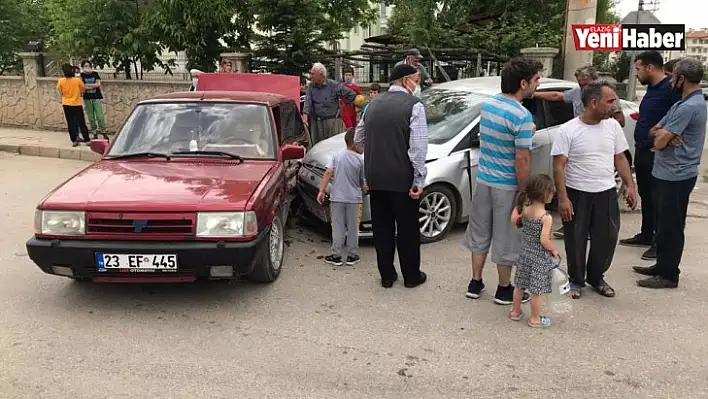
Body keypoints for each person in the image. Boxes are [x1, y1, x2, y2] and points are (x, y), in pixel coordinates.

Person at [462, 58, 540, 305]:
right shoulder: (522, 116)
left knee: (480, 232)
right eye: (537, 80)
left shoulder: (488, 105)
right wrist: (524, 192)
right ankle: (504, 289)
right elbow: (522, 161)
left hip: (484, 180)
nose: (538, 85)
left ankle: (475, 282)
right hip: (507, 186)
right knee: (506, 236)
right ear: (523, 83)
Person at [551, 80, 637, 299]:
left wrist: (630, 185)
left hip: (605, 191)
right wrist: (562, 198)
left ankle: (596, 277)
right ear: (594, 103)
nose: (614, 105)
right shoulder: (568, 130)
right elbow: (559, 165)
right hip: (576, 192)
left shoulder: (613, 126)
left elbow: (620, 157)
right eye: (610, 101)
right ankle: (576, 280)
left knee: (607, 237)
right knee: (575, 238)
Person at [634, 58, 708, 289]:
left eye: (672, 76)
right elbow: (653, 131)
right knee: (663, 223)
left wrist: (661, 136)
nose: (670, 80)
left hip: (676, 175)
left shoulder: (689, 106)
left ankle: (668, 275)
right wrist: (660, 135)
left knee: (671, 226)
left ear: (681, 78)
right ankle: (662, 265)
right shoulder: (681, 104)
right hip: (666, 173)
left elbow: (661, 139)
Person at [354, 63, 428, 289]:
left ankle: (387, 275)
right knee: (407, 229)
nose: (419, 84)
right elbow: (417, 148)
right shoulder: (414, 106)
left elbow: (358, 139)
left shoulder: (372, 105)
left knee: (382, 227)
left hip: (376, 176)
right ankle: (411, 276)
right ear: (407, 80)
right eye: (417, 79)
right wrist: (419, 180)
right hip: (402, 178)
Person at [533, 65, 625, 239]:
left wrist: (603, 125)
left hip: (598, 157)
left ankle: (592, 228)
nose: (584, 90)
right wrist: (534, 94)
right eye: (580, 85)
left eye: (585, 84)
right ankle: (575, 225)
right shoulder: (576, 97)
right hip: (578, 147)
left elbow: (620, 121)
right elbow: (557, 96)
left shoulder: (608, 100)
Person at [618, 51, 680, 261]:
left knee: (659, 199)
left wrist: (666, 140)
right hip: (643, 149)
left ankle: (658, 243)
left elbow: (677, 118)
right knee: (647, 196)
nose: (636, 73)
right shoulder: (653, 89)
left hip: (658, 153)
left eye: (638, 68)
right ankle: (646, 234)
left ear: (650, 67)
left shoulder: (670, 89)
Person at [509, 174, 559, 329]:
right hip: (538, 258)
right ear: (544, 194)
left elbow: (513, 221)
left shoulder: (524, 210)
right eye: (551, 192)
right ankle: (535, 318)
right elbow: (544, 240)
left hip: (524, 254)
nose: (553, 194)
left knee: (520, 286)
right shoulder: (546, 217)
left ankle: (515, 312)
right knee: (536, 291)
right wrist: (553, 249)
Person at [316, 128, 367, 266]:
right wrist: (364, 189)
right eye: (362, 143)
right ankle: (352, 255)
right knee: (353, 227)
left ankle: (336, 255)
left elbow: (327, 173)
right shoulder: (360, 161)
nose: (364, 146)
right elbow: (362, 181)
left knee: (337, 227)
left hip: (337, 198)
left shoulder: (337, 156)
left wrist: (321, 190)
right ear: (355, 143)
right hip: (354, 199)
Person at [302, 63, 356, 145]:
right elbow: (307, 102)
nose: (310, 76)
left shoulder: (334, 85)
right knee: (317, 148)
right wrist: (305, 118)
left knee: (332, 147)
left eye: (313, 74)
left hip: (332, 122)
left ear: (321, 75)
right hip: (317, 123)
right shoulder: (311, 87)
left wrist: (343, 105)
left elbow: (352, 94)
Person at [57, 63, 91, 147]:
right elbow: (83, 90)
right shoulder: (77, 80)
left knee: (70, 123)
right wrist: (78, 94)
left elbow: (60, 92)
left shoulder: (61, 81)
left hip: (66, 104)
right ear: (72, 71)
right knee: (81, 122)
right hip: (76, 104)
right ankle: (87, 140)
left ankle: (74, 140)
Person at [79, 60, 108, 140]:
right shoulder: (82, 75)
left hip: (96, 97)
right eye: (85, 66)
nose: (87, 67)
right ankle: (94, 133)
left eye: (88, 66)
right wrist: (93, 85)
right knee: (91, 117)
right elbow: (82, 86)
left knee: (100, 116)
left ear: (91, 66)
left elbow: (98, 84)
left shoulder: (95, 74)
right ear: (82, 67)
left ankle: (104, 132)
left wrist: (87, 85)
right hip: (87, 98)